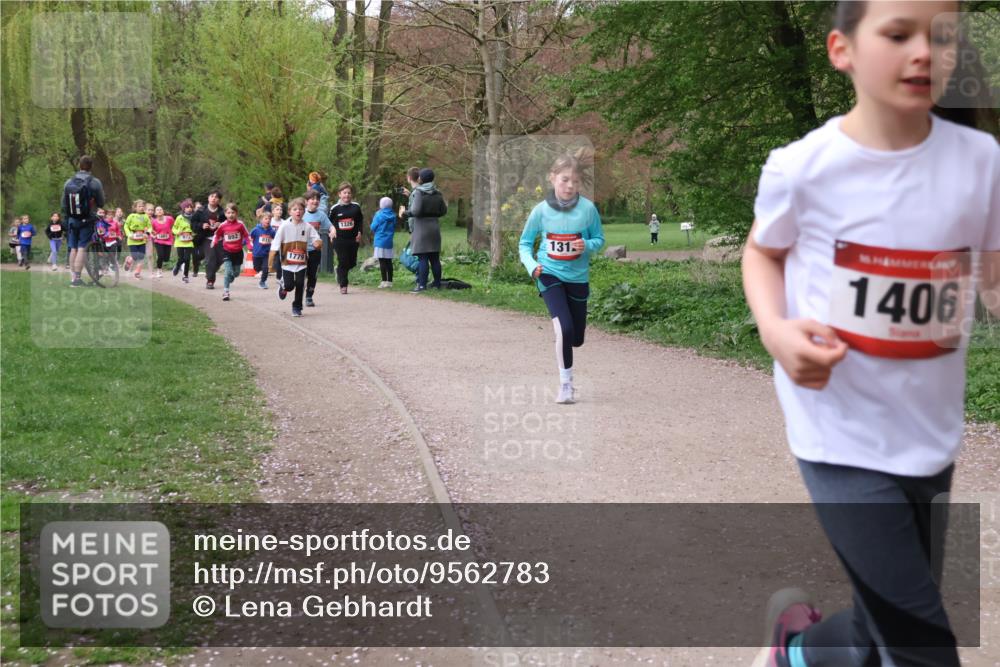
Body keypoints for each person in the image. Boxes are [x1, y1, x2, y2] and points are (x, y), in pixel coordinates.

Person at [741, 2, 999, 667]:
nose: (924, 52)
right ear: (840, 49)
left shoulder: (981, 161)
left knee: (883, 628)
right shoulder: (804, 167)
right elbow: (762, 252)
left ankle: (793, 651)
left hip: (929, 434)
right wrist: (775, 331)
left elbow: (992, 275)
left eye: (943, 36)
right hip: (840, 434)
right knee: (922, 650)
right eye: (898, 34)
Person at [518, 151, 605, 404]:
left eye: (575, 182)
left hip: (578, 278)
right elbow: (524, 244)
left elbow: (599, 240)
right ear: (552, 178)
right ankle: (566, 385)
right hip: (548, 273)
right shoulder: (541, 211)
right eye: (565, 180)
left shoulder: (588, 210)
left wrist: (585, 245)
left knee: (576, 337)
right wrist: (532, 266)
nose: (570, 186)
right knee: (563, 328)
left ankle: (569, 342)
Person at [270, 197, 321, 317]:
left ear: (304, 211)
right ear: (290, 212)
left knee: (300, 284)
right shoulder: (284, 226)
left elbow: (316, 238)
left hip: (301, 262)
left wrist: (318, 243)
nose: (298, 211)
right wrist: (271, 261)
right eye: (295, 209)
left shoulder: (307, 226)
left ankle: (297, 307)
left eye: (300, 209)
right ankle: (283, 286)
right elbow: (276, 243)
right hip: (287, 263)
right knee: (289, 286)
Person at [400, 168, 447, 292]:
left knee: (423, 258)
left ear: (420, 179)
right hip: (434, 227)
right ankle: (437, 284)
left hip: (421, 228)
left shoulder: (419, 192)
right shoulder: (437, 193)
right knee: (435, 258)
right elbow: (443, 211)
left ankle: (421, 285)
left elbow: (415, 211)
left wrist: (404, 213)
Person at [61, 155, 106, 287]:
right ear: (91, 166)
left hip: (71, 219)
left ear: (79, 165)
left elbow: (63, 204)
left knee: (73, 248)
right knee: (82, 248)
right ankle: (77, 279)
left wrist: (68, 217)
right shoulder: (95, 182)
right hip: (87, 219)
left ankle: (73, 278)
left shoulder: (69, 182)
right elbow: (101, 202)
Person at [328, 182, 364, 295]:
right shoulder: (335, 209)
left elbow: (360, 221)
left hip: (353, 239)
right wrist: (331, 231)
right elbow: (328, 222)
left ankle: (339, 270)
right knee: (343, 260)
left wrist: (360, 232)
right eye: (344, 193)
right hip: (339, 239)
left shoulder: (356, 207)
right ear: (339, 194)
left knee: (352, 262)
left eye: (349, 193)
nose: (347, 195)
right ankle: (343, 285)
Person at [210, 203, 251, 302]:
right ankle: (226, 291)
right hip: (227, 251)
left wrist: (250, 245)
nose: (231, 215)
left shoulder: (240, 224)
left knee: (236, 273)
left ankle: (230, 278)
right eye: (228, 213)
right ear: (225, 214)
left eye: (233, 212)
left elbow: (247, 236)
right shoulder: (223, 225)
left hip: (238, 252)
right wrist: (214, 242)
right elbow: (217, 235)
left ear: (236, 213)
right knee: (228, 272)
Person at [191, 190, 225, 287]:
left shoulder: (223, 212)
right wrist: (201, 225)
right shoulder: (201, 211)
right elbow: (193, 224)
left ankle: (211, 271)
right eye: (212, 196)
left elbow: (229, 223)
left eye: (216, 197)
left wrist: (221, 224)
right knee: (211, 258)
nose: (213, 198)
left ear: (219, 200)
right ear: (208, 198)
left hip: (220, 238)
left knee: (221, 259)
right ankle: (210, 280)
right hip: (206, 238)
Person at [303, 190, 331, 305]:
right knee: (300, 274)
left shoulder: (321, 215)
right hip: (301, 250)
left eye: (317, 199)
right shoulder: (301, 213)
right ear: (306, 201)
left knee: (312, 275)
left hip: (315, 250)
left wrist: (333, 231)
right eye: (312, 199)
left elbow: (330, 226)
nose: (315, 201)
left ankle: (309, 296)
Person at [370, 196, 397, 288]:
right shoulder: (393, 215)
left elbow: (373, 227)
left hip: (380, 241)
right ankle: (390, 282)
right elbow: (394, 226)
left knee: (382, 262)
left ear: (381, 205)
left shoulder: (379, 215)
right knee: (389, 261)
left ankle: (384, 281)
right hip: (389, 241)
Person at [123, 199, 151, 279]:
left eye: (143, 206)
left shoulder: (146, 216)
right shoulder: (131, 216)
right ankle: (129, 260)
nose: (141, 208)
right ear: (135, 208)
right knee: (135, 256)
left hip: (142, 239)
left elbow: (149, 227)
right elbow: (126, 226)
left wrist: (147, 233)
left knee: (141, 257)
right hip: (132, 240)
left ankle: (137, 273)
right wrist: (129, 234)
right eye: (139, 206)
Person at [172, 199, 196, 282]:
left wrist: (194, 234)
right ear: (183, 209)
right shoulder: (179, 218)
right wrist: (177, 232)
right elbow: (174, 228)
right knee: (181, 258)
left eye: (191, 207)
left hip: (189, 242)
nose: (189, 208)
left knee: (187, 258)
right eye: (187, 207)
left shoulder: (194, 218)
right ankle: (177, 266)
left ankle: (185, 276)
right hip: (180, 242)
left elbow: (196, 228)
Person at [250, 210, 274, 289]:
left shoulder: (272, 231)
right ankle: (260, 271)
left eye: (269, 219)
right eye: (266, 219)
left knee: (266, 268)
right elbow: (249, 238)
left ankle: (262, 282)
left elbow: (277, 238)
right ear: (261, 220)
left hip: (266, 254)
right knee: (256, 268)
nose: (268, 220)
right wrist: (246, 244)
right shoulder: (256, 230)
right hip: (256, 253)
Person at [151, 205, 174, 278]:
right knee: (160, 255)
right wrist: (153, 236)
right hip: (158, 241)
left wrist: (174, 232)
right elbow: (151, 231)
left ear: (163, 211)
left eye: (161, 209)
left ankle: (161, 264)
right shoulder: (153, 222)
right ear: (155, 213)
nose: (159, 211)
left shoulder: (169, 219)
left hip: (168, 240)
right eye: (157, 210)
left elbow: (174, 226)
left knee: (166, 258)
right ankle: (159, 270)